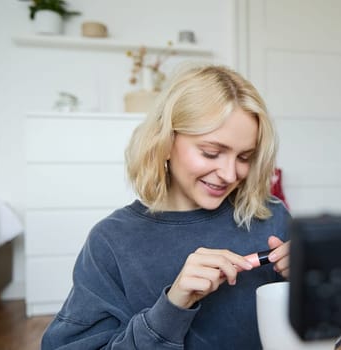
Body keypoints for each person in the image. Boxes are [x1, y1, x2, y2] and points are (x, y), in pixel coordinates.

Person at [41, 64, 291, 349]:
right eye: (211, 153)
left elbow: (321, 324)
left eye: (244, 157)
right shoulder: (111, 242)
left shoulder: (271, 217)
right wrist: (172, 306)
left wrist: (313, 281)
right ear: (166, 141)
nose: (230, 174)